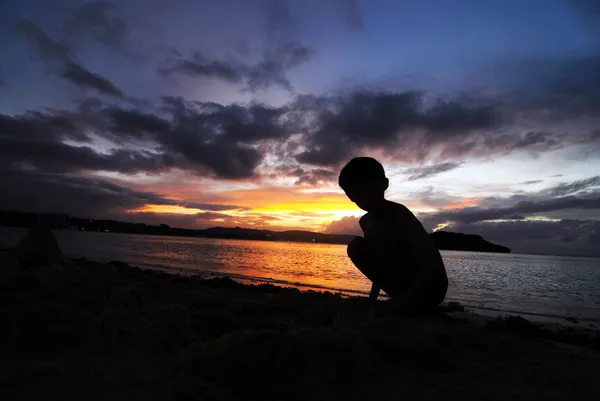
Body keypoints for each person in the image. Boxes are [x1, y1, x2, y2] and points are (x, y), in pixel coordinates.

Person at [339, 157, 448, 310]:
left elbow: (429, 261)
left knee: (372, 237)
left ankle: (408, 302)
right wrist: (373, 299)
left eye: (369, 188)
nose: (364, 198)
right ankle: (402, 299)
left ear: (384, 185)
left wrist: (411, 299)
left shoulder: (399, 215)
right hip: (402, 287)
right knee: (355, 246)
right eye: (356, 194)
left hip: (429, 288)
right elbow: (378, 262)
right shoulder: (366, 221)